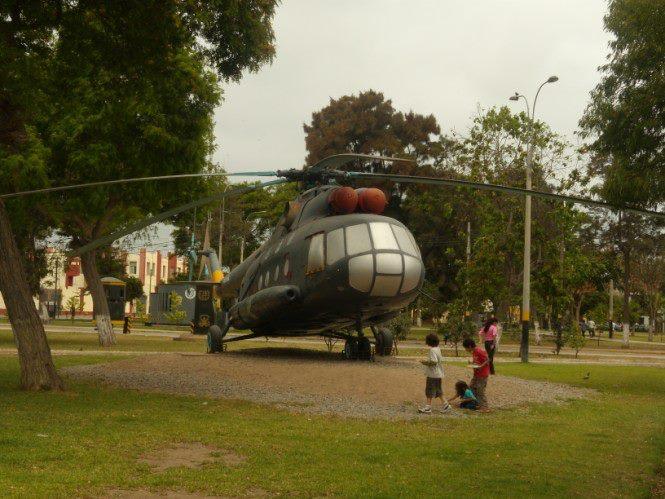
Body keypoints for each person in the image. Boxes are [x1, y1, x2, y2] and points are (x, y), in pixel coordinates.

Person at [418, 333, 452, 414]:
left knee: (429, 390)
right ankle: (446, 405)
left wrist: (424, 362)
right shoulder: (438, 349)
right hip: (438, 374)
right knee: (438, 391)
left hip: (432, 374)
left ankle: (428, 407)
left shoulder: (432, 350)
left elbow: (434, 361)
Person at [463, 338, 490, 412]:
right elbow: (477, 362)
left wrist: (481, 366)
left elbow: (487, 360)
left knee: (480, 390)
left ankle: (485, 408)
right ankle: (478, 404)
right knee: (471, 387)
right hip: (476, 374)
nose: (465, 349)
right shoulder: (474, 352)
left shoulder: (479, 351)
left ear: (469, 346)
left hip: (482, 374)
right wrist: (471, 363)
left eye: (466, 348)